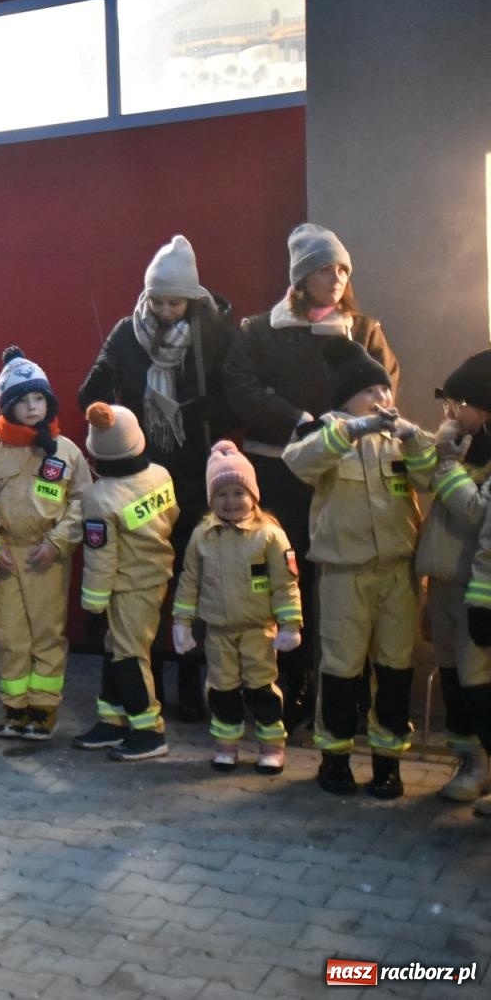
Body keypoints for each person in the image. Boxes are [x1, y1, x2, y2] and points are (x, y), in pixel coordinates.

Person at [223, 223, 400, 730]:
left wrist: (341, 426)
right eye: (327, 268)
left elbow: (386, 389)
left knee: (347, 585)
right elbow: (240, 386)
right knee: (286, 578)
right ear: (301, 278)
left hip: (349, 479)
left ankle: (348, 694)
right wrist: (299, 420)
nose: (338, 276)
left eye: (344, 268)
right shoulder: (259, 330)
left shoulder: (365, 331)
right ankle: (290, 684)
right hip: (279, 473)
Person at [79, 235, 236, 724]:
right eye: (159, 299)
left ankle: (191, 683)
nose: (166, 309)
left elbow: (236, 387)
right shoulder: (129, 331)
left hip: (192, 472)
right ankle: (141, 683)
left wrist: (214, 411)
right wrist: (100, 394)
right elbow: (100, 376)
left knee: (194, 579)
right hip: (142, 473)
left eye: (175, 300)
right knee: (140, 585)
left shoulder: (213, 331)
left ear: (190, 297)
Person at [283, 338, 432, 799]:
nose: (382, 400)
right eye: (370, 392)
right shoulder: (325, 432)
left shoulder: (399, 437)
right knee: (342, 672)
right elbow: (300, 462)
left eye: (384, 391)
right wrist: (353, 430)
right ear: (347, 398)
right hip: (344, 574)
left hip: (398, 573)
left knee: (394, 670)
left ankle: (388, 762)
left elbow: (430, 477)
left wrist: (414, 439)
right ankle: (336, 758)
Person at [171, 441, 302, 774]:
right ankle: (226, 745)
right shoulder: (202, 536)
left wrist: (290, 625)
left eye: (238, 492)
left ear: (253, 495)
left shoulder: (270, 536)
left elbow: (285, 584)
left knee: (262, 688)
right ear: (211, 498)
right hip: (218, 632)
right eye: (222, 494)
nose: (231, 501)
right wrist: (182, 623)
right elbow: (189, 582)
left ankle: (271, 745)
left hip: (259, 630)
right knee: (222, 689)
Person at [0, 347, 89, 742]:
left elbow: (81, 503)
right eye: (23, 400)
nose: (32, 407)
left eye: (39, 398)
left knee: (47, 633)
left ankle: (43, 709)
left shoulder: (66, 452)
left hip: (47, 557)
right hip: (6, 558)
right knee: (10, 635)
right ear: (8, 406)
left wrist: (59, 542)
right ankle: (14, 708)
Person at [71, 402, 180, 761]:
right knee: (117, 649)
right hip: (155, 578)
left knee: (128, 655)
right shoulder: (161, 476)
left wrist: (93, 607)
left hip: (126, 586)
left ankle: (149, 731)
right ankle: (112, 720)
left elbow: (101, 558)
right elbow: (173, 516)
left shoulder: (99, 498)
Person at [416, 351, 491, 806]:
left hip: (476, 590)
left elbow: (477, 514)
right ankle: (470, 762)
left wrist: (445, 465)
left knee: (477, 681)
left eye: (458, 402)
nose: (449, 411)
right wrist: (431, 449)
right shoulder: (460, 443)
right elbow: (425, 481)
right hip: (443, 583)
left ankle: (484, 765)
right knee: (451, 677)